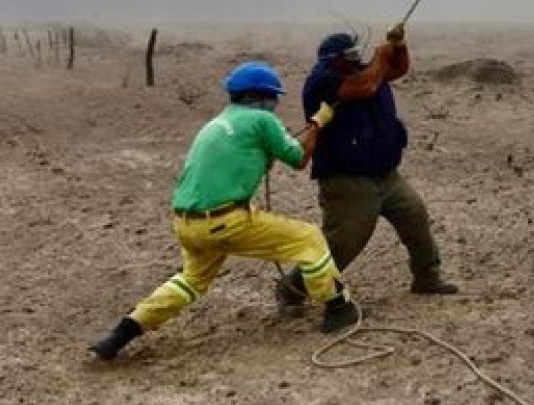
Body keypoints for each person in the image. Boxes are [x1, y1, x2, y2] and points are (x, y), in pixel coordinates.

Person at [88, 61, 359, 361]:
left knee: (190, 281)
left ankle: (122, 333)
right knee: (309, 238)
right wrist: (318, 122)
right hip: (225, 221)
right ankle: (337, 307)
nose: (275, 104)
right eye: (274, 98)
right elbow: (298, 158)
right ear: (262, 96)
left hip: (187, 225)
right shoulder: (262, 119)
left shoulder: (217, 122)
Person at [275, 22, 455, 313]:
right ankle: (292, 288)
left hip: (386, 173)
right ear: (333, 59)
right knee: (344, 241)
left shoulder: (367, 71)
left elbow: (398, 70)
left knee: (415, 218)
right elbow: (366, 87)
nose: (356, 57)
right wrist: (381, 56)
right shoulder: (322, 81)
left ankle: (427, 277)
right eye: (349, 54)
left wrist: (398, 47)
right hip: (347, 178)